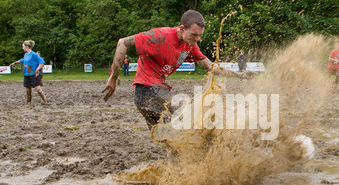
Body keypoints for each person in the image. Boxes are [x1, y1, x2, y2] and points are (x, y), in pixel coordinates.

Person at [103, 10, 248, 132]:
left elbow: (211, 66)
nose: (197, 39)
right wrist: (113, 77)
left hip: (155, 93)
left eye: (200, 36)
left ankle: (177, 165)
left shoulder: (190, 46)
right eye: (193, 35)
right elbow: (123, 42)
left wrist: (240, 75)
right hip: (147, 91)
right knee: (189, 116)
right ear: (182, 28)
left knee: (170, 141)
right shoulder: (160, 36)